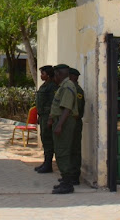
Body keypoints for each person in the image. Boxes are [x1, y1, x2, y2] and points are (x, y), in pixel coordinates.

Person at [48, 63, 79, 194]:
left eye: (55, 74)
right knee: (61, 150)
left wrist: (59, 125)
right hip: (61, 121)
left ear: (59, 74)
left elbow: (67, 108)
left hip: (65, 122)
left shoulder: (67, 86)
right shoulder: (64, 86)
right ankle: (65, 180)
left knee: (62, 152)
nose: (54, 77)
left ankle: (67, 184)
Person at [34, 65, 57, 174]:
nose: (41, 76)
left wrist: (50, 118)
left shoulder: (52, 86)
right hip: (43, 116)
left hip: (48, 116)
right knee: (44, 138)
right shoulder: (45, 85)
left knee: (48, 140)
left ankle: (48, 164)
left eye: (42, 74)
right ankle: (45, 162)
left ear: (48, 75)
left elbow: (53, 103)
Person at [68, 67, 85, 184]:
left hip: (75, 123)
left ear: (74, 77)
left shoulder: (77, 90)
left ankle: (75, 176)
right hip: (69, 123)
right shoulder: (69, 88)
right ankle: (69, 175)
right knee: (68, 149)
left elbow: (77, 110)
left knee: (75, 149)